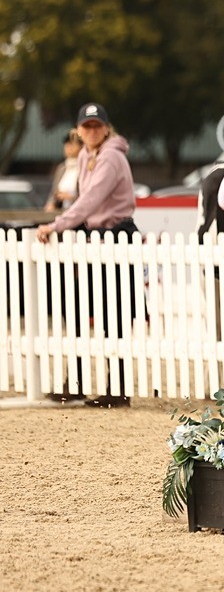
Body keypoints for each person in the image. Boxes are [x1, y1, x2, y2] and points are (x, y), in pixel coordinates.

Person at [36, 103, 138, 407]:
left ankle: (118, 389)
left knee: (113, 314)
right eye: (87, 126)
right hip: (94, 237)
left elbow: (91, 199)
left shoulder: (111, 156)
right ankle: (77, 382)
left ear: (106, 128)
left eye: (97, 126)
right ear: (79, 130)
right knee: (79, 309)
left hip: (116, 235)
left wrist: (58, 224)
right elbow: (85, 200)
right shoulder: (85, 156)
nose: (92, 131)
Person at [43, 129, 83, 211]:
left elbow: (90, 197)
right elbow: (53, 193)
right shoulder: (62, 168)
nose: (68, 146)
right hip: (60, 212)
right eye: (66, 143)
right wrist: (51, 204)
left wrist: (71, 197)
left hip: (79, 213)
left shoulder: (85, 167)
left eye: (72, 143)